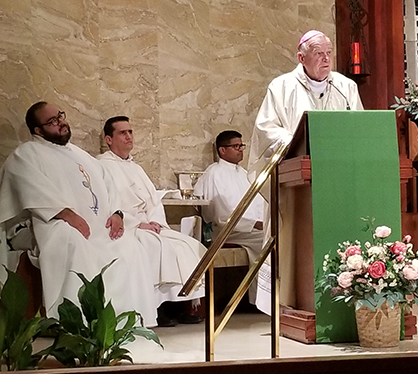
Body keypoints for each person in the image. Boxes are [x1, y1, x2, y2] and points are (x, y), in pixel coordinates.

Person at [0, 102, 160, 327]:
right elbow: (32, 190)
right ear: (38, 130)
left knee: (130, 246)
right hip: (45, 224)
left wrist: (117, 213)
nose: (61, 123)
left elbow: (109, 185)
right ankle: (77, 323)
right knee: (73, 242)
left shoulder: (80, 154)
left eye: (60, 116)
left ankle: (126, 321)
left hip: (94, 225)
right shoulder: (25, 154)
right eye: (52, 121)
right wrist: (66, 214)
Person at [248, 30, 364, 313]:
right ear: (301, 57)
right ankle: (290, 302)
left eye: (328, 53)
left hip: (337, 178)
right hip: (295, 179)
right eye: (318, 54)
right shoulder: (281, 87)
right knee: (292, 241)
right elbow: (265, 129)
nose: (326, 59)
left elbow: (359, 125)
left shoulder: (346, 87)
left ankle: (341, 298)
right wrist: (296, 140)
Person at [97, 116, 205, 325]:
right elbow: (107, 203)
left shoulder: (136, 167)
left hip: (148, 224)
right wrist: (138, 224)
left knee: (187, 244)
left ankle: (179, 305)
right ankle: (156, 310)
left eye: (130, 132)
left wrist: (156, 223)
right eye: (122, 133)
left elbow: (153, 201)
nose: (128, 136)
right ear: (109, 139)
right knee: (152, 246)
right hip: (127, 227)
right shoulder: (101, 165)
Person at [193, 130, 266, 305]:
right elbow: (219, 214)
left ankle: (270, 296)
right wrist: (254, 224)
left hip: (248, 229)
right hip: (227, 231)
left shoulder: (244, 173)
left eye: (241, 145)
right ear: (222, 150)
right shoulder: (214, 173)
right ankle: (262, 300)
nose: (240, 149)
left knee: (274, 236)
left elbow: (258, 202)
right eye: (235, 146)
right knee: (267, 240)